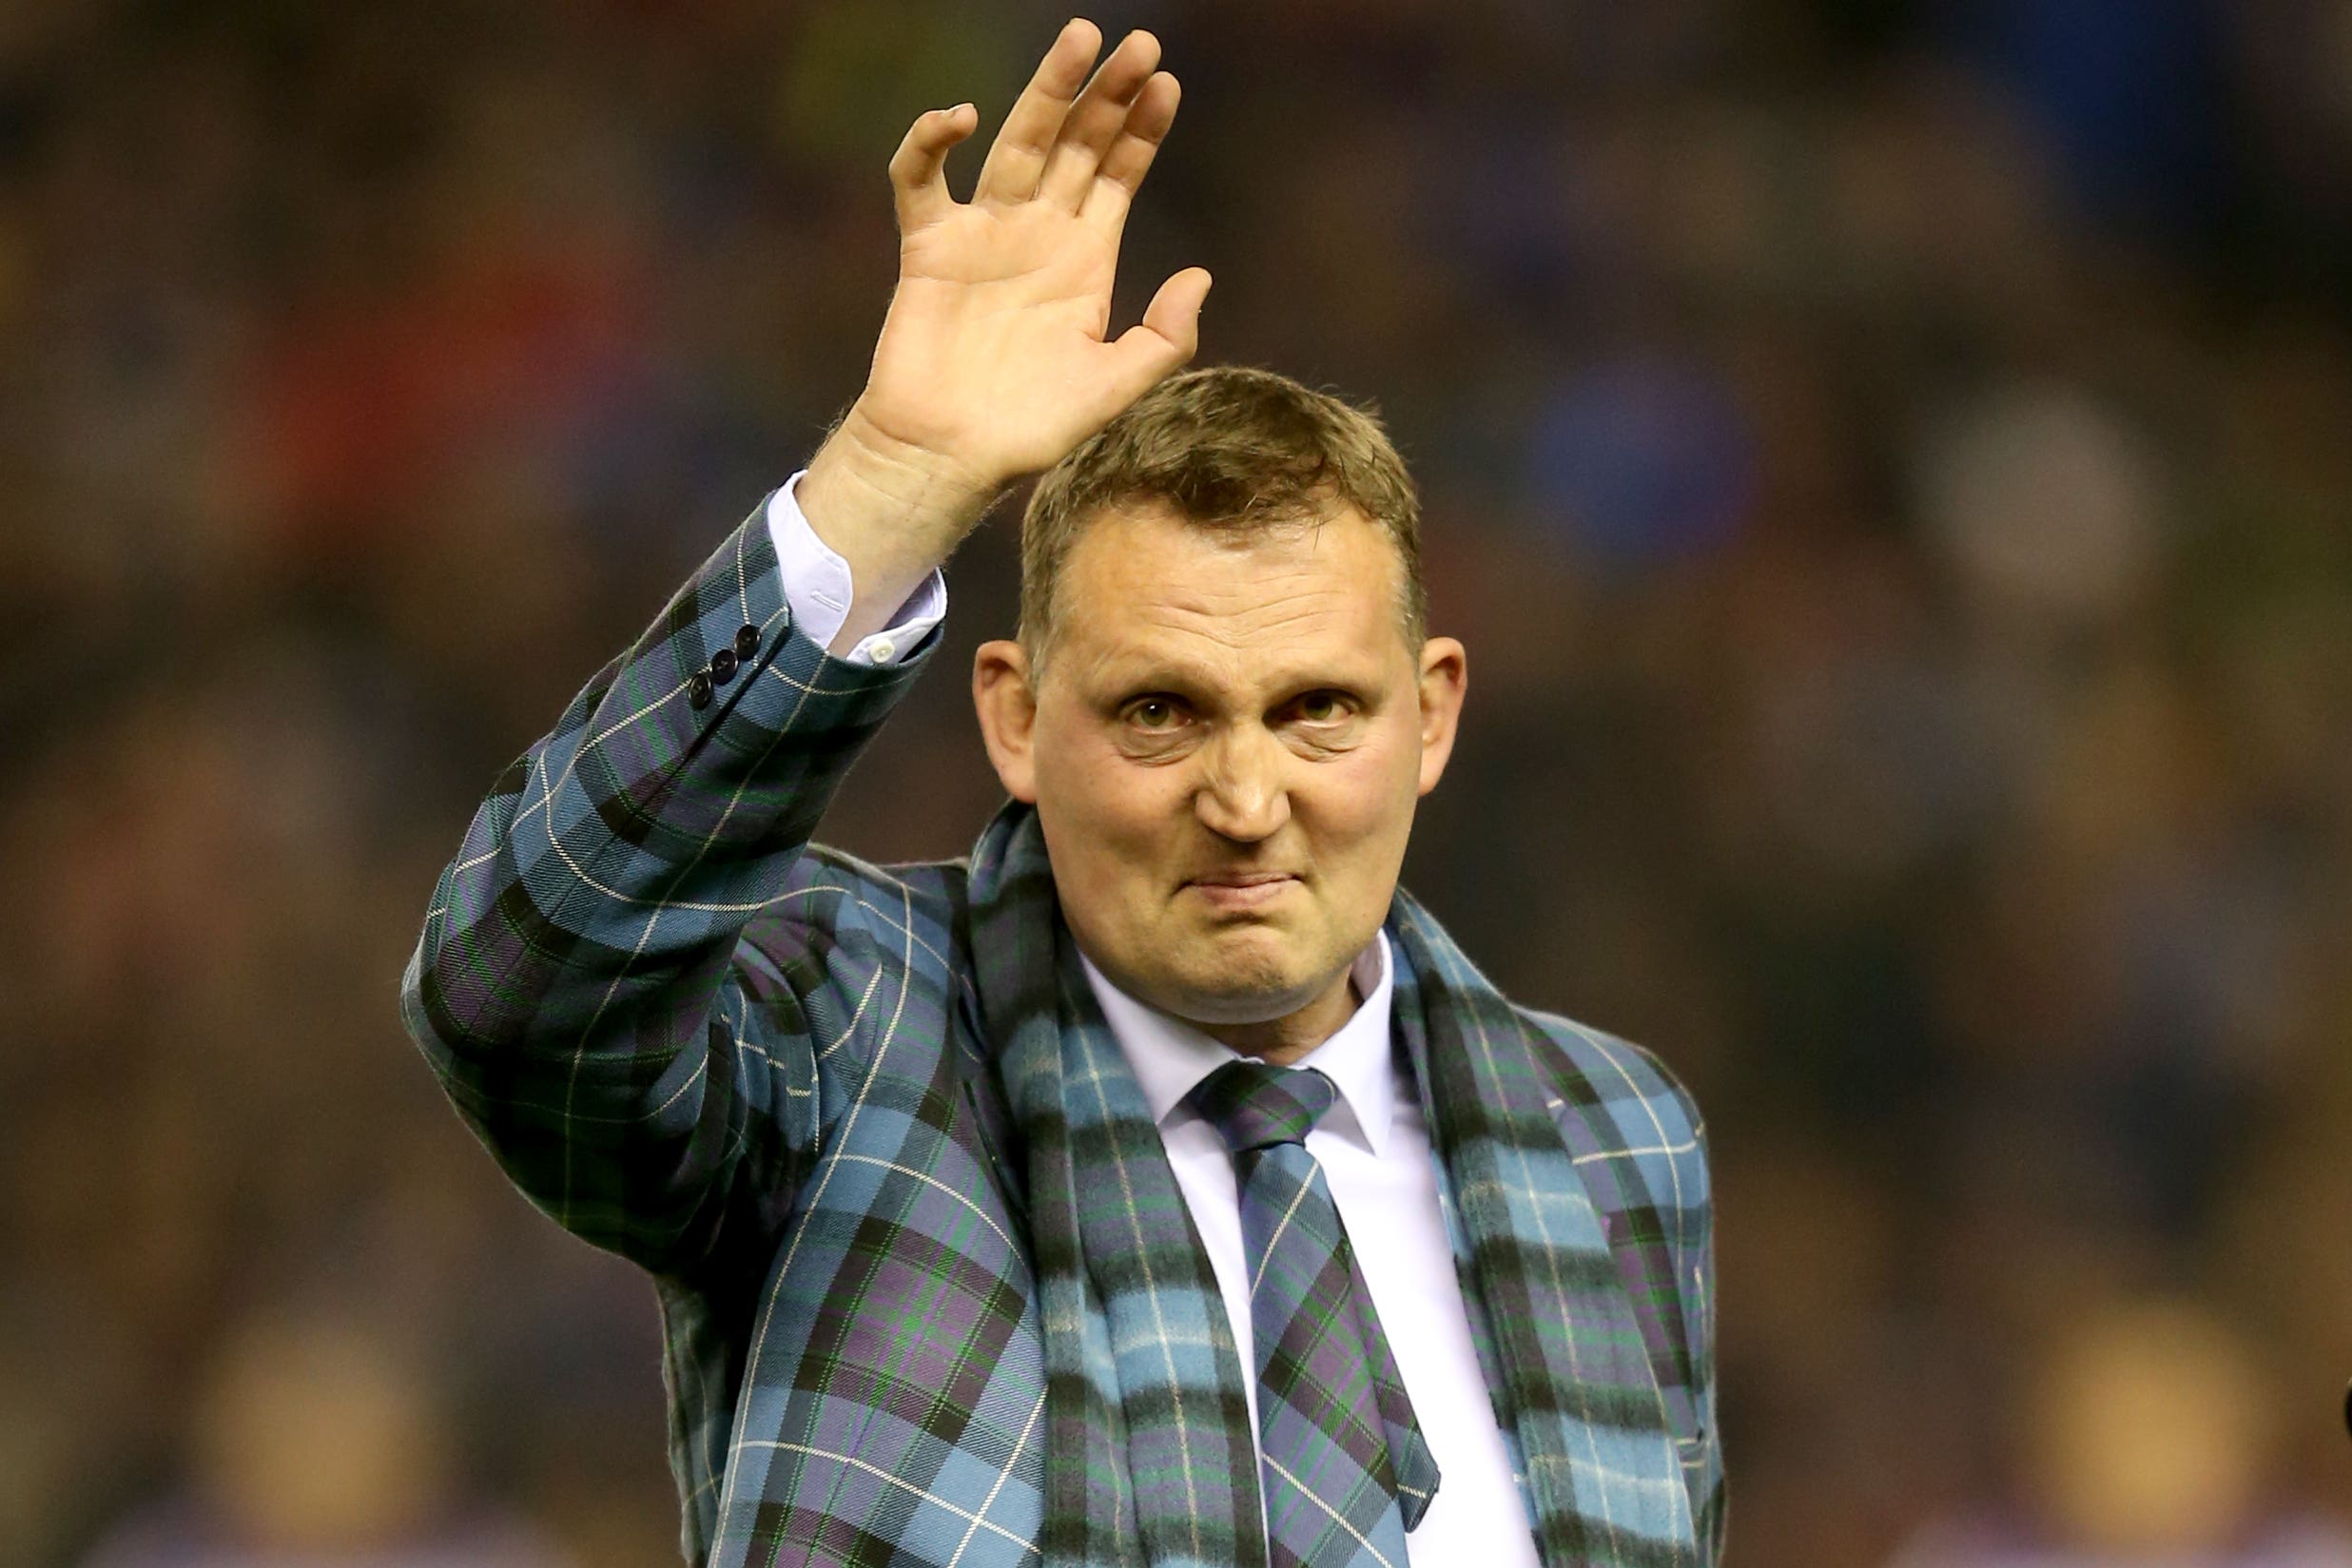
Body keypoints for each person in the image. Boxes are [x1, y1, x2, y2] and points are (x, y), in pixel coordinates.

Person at [399, 18, 1720, 1568]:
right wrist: (896, 473)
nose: (1246, 795)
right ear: (1015, 718)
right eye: (1162, 710)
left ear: (1430, 714)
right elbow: (518, 983)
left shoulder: (1614, 1138)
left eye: (1317, 712)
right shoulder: (848, 1028)